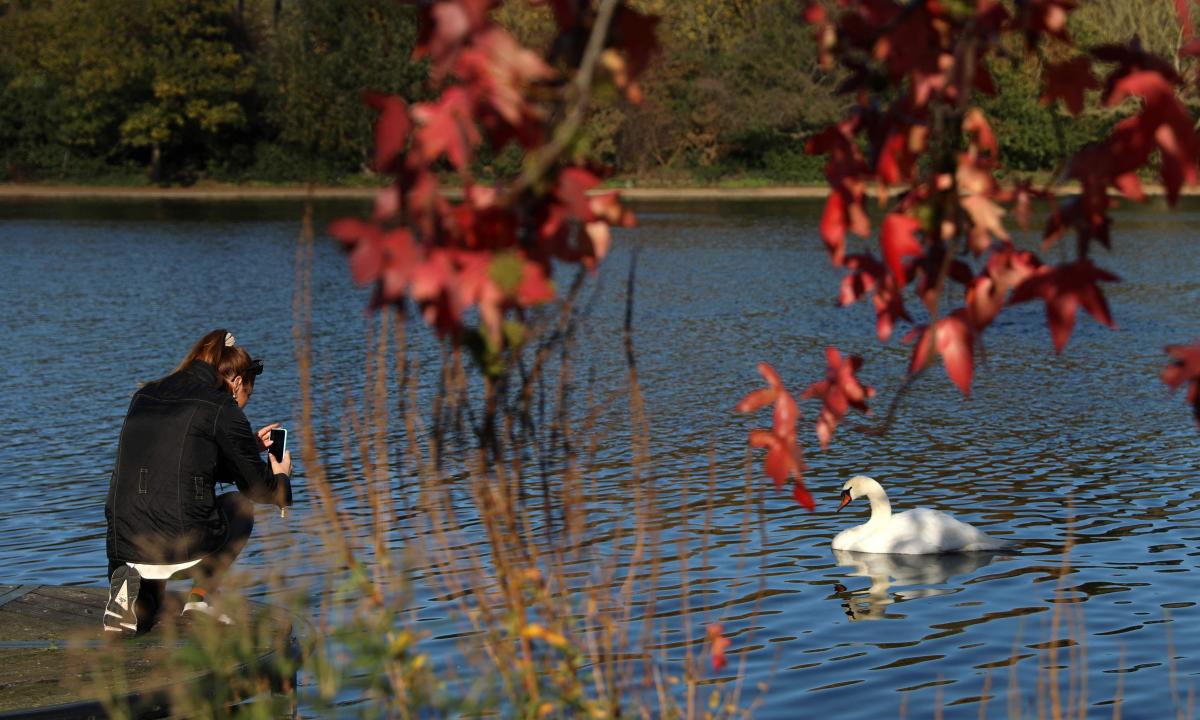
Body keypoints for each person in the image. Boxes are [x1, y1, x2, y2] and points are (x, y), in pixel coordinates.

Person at [103, 329, 292, 634]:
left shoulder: (147, 395)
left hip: (124, 545)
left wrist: (244, 447)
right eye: (247, 399)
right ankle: (201, 601)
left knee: (150, 612)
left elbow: (178, 466)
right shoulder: (220, 406)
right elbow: (259, 488)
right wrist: (281, 475)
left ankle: (126, 593)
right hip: (181, 543)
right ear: (238, 384)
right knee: (240, 506)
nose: (242, 406)